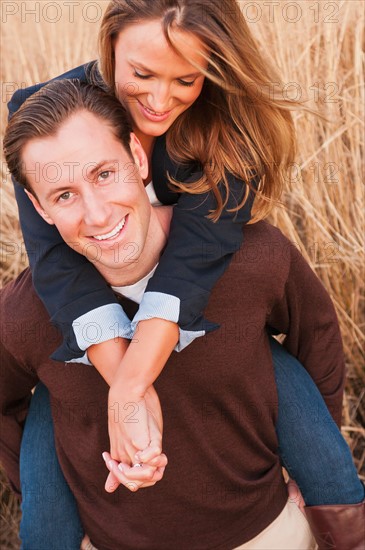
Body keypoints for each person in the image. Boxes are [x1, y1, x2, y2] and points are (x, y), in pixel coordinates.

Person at [3, 79, 365, 550]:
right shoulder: (24, 316)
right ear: (38, 208)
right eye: (64, 195)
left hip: (269, 533)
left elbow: (314, 336)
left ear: (137, 157)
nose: (96, 214)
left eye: (104, 174)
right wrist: (52, 498)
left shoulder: (249, 259)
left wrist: (312, 465)